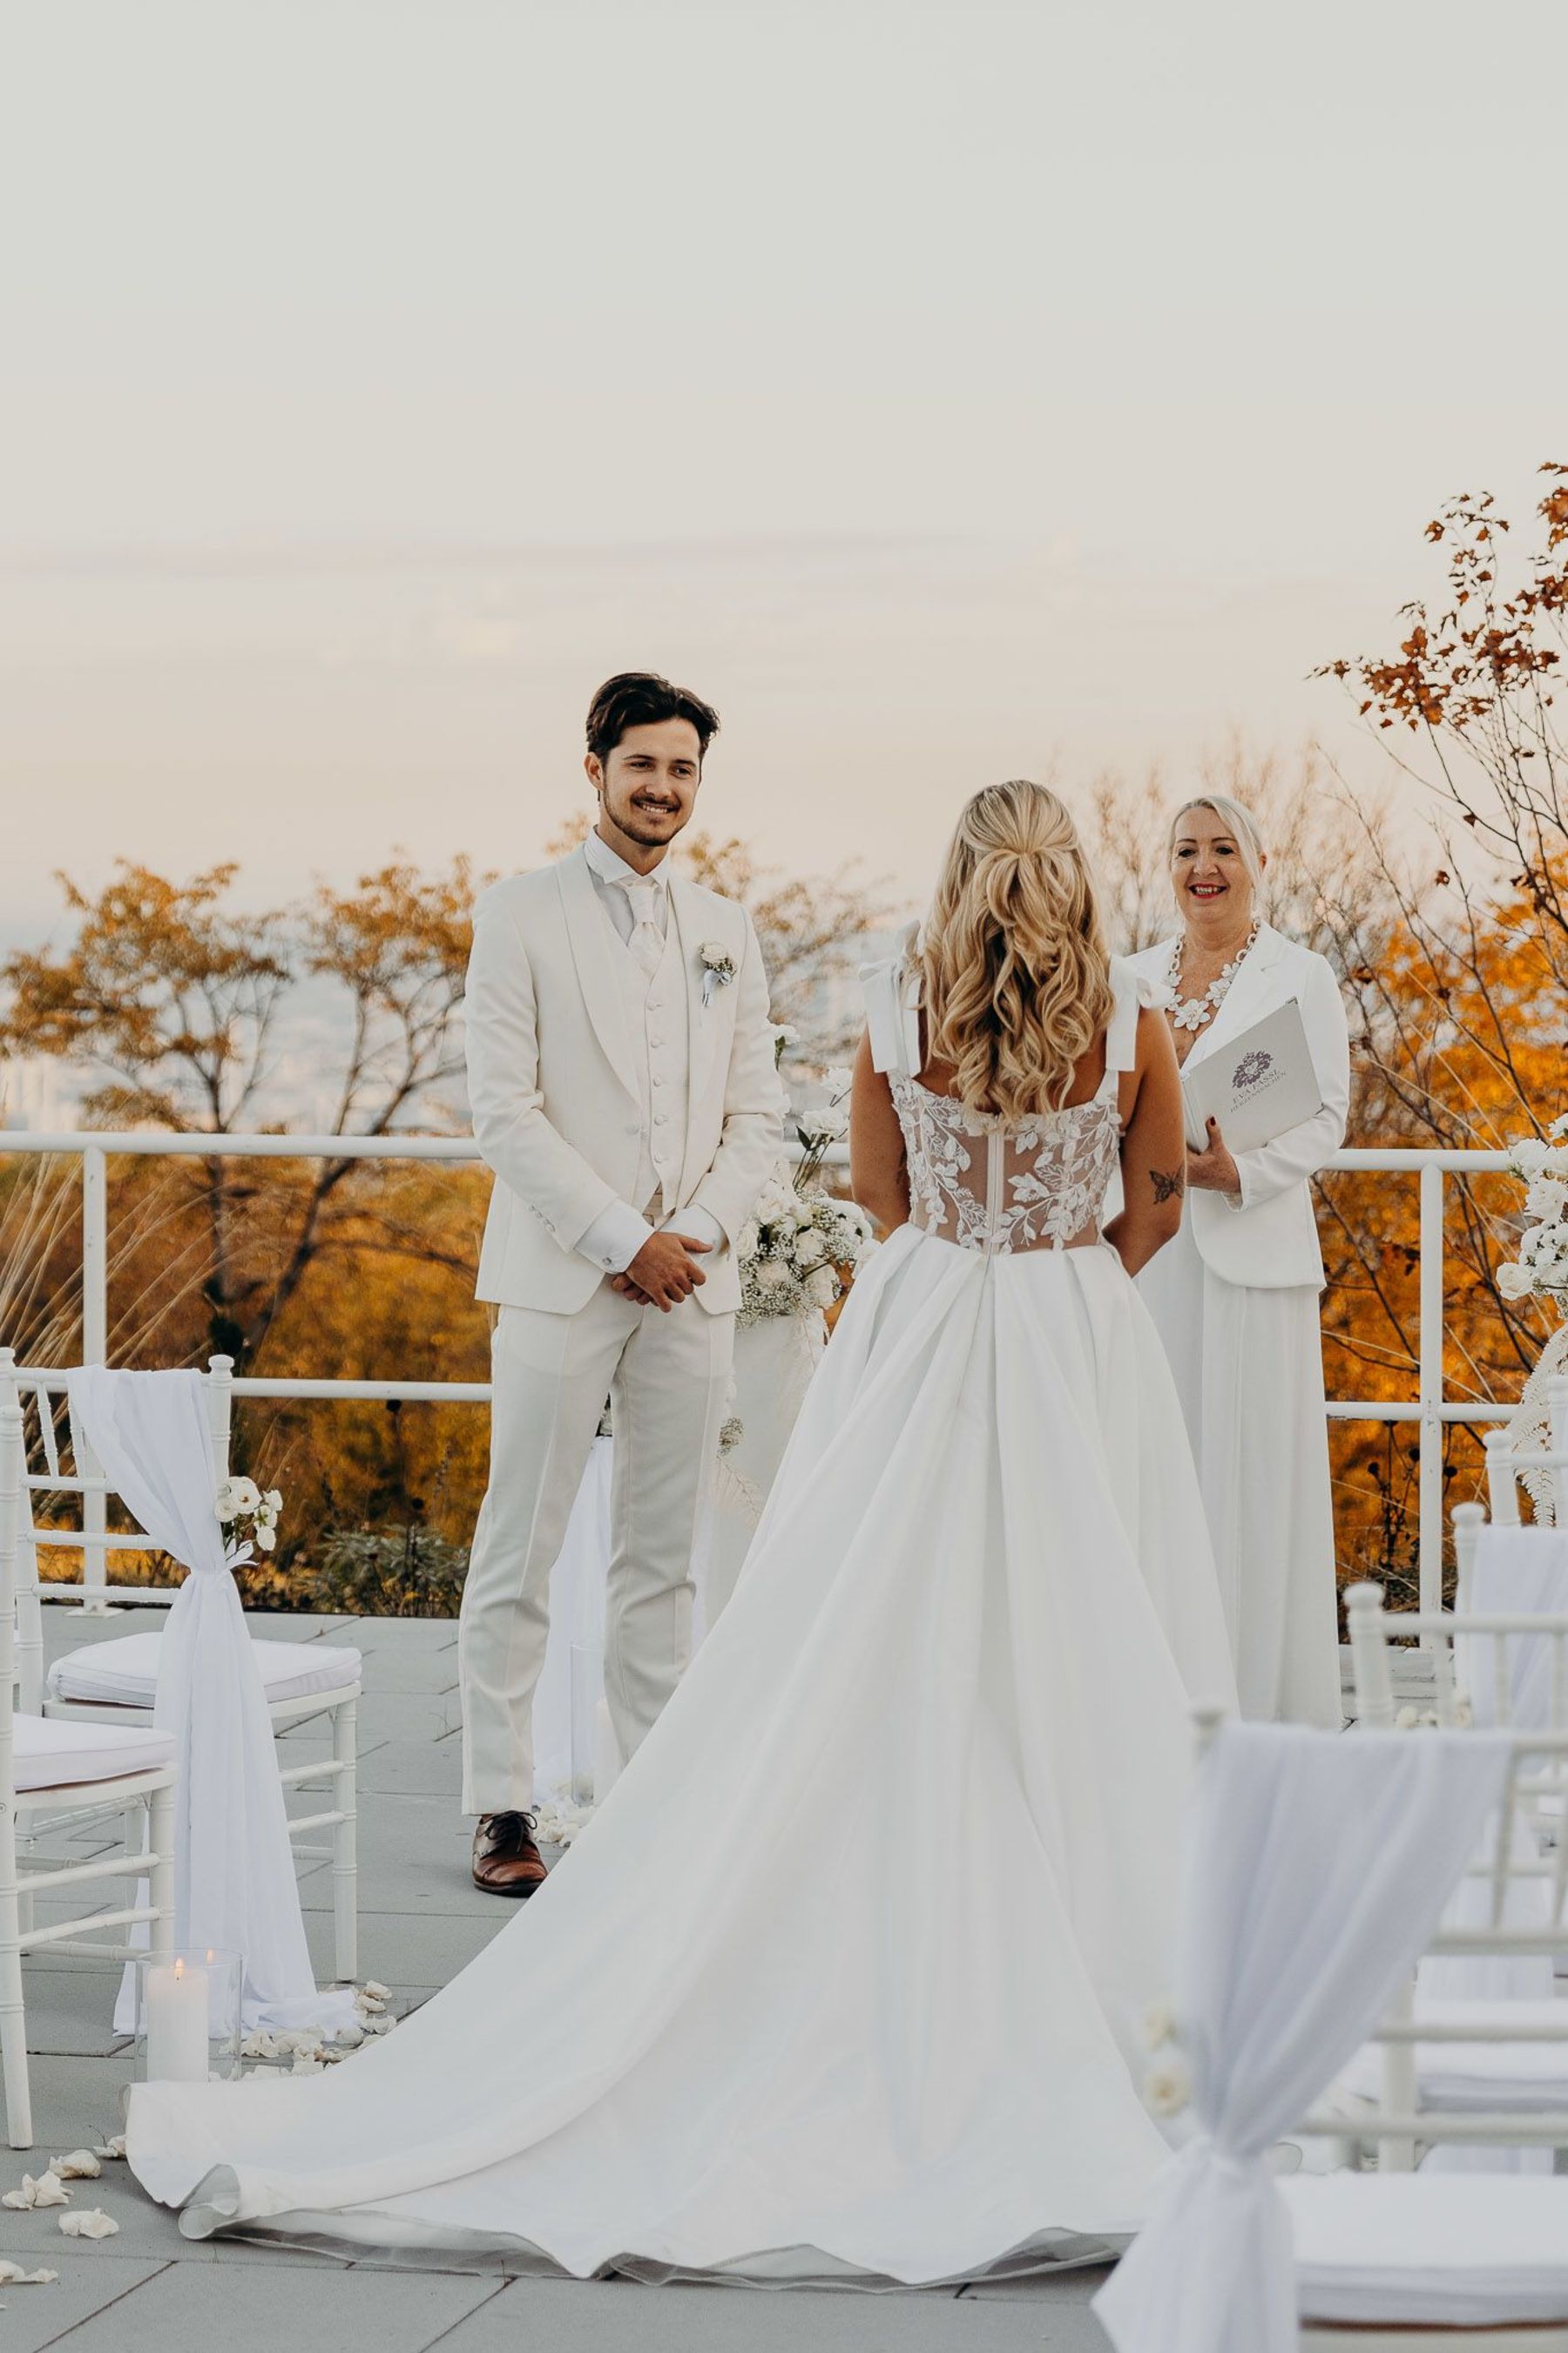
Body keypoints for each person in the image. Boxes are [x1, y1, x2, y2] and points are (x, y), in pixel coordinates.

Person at [125, 781, 1236, 2288]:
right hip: (1070, 1328)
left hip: (920, 1327)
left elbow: (882, 1196)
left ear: (960, 874)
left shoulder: (897, 1008)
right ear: (1079, 883)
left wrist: (968, 1262)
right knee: (1086, 1625)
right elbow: (1155, 1210)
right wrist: (1061, 1274)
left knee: (863, 1626)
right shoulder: (1134, 1023)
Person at [457, 671, 785, 1894]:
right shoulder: (518, 914)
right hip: (561, 1276)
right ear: (595, 768)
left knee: (665, 1554)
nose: (662, 787)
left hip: (690, 1281)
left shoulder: (727, 928)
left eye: (682, 768)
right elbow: (504, 1112)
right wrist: (619, 1238)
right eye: (642, 763)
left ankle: (651, 1803)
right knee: (522, 1543)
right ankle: (501, 1804)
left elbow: (759, 1116)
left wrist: (687, 1237)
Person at [1127, 793, 1350, 1726]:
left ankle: (1258, 1707)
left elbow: (1328, 1115)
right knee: (1157, 1470)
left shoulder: (1302, 975)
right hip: (1151, 1259)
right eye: (1187, 850)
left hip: (1255, 1258)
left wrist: (1240, 1174)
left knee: (1255, 1483)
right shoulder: (1129, 976)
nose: (1204, 867)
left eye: (1223, 849)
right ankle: (1159, 1700)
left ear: (1257, 863)